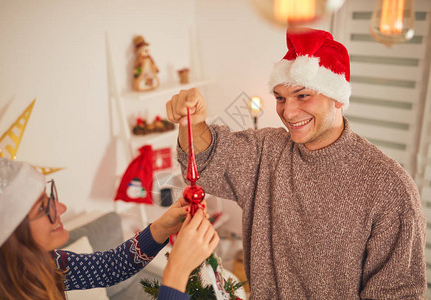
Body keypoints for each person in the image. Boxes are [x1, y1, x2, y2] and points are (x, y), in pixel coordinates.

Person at [166, 27, 427, 299]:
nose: (287, 112)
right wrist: (192, 122)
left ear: (337, 97)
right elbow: (207, 159)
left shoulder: (391, 189)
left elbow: (397, 294)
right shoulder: (267, 151)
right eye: (280, 98)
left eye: (303, 95)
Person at [0, 152, 219, 300]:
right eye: (44, 208)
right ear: (9, 236)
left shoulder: (45, 263)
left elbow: (108, 268)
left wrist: (161, 228)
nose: (61, 208)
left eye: (50, 196)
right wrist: (177, 270)